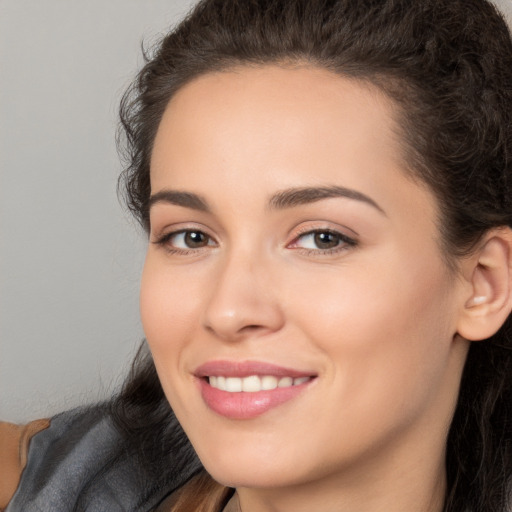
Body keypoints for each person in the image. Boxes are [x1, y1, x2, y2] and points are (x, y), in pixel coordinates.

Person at [1, 0, 511, 511]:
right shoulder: (39, 486)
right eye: (191, 237)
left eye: (322, 238)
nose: (228, 311)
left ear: (484, 284)